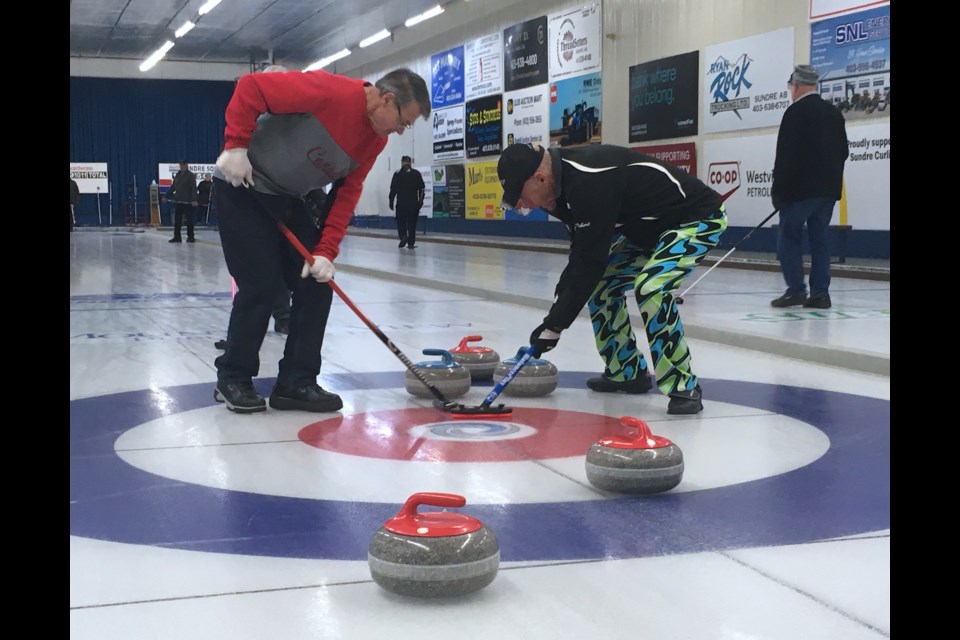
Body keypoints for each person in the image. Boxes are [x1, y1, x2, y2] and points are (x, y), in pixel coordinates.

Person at [211, 66, 430, 414]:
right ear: (387, 99)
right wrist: (236, 146)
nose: (400, 131)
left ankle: (296, 381)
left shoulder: (375, 139)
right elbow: (252, 87)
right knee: (261, 286)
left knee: (316, 284)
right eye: (403, 121)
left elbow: (347, 193)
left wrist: (326, 251)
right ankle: (233, 377)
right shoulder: (330, 92)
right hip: (243, 186)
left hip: (288, 198)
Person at [497, 142, 727, 415]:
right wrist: (554, 318)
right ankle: (626, 371)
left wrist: (555, 326)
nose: (526, 205)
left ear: (540, 177)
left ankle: (683, 385)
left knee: (652, 288)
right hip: (646, 231)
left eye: (522, 196)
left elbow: (590, 261)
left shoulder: (589, 178)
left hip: (696, 219)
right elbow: (580, 255)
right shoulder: (557, 192)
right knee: (603, 287)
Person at [770, 64, 849, 309]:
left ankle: (795, 290)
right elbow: (843, 152)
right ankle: (820, 294)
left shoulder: (794, 113)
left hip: (799, 192)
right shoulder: (834, 113)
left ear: (795, 86)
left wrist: (779, 192)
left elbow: (785, 157)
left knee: (789, 238)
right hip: (827, 192)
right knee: (820, 240)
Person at [388, 155, 425, 248]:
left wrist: (391, 201)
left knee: (400, 222)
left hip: (401, 204)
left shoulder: (397, 173)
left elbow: (393, 189)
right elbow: (422, 189)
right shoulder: (416, 174)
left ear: (402, 162)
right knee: (412, 223)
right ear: (410, 162)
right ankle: (411, 243)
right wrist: (420, 202)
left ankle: (403, 236)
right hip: (413, 204)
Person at [165, 160, 199, 243]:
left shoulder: (190, 175)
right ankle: (177, 237)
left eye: (183, 165)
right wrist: (166, 196)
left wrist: (194, 199)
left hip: (187, 202)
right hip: (178, 201)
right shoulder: (178, 175)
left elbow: (194, 188)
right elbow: (173, 187)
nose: (182, 167)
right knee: (177, 220)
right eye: (180, 165)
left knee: (189, 220)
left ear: (186, 165)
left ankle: (190, 237)